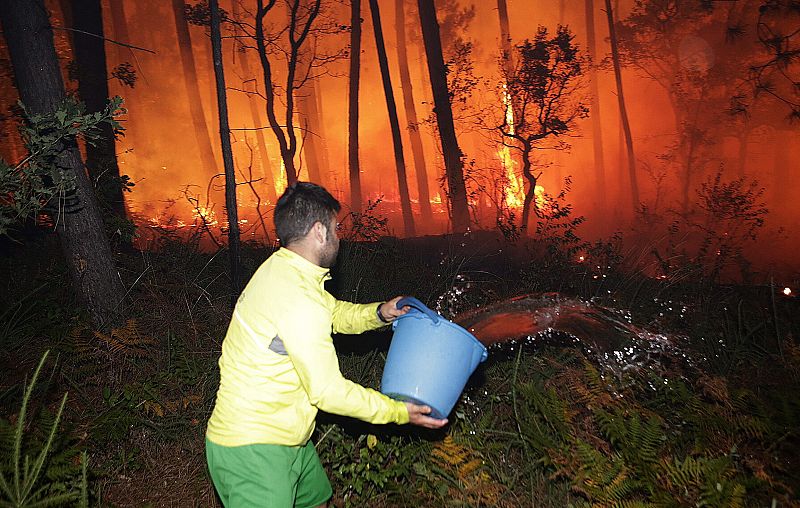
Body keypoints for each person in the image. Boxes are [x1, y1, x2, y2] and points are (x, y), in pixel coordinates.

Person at [205, 181, 447, 507]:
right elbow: (328, 392)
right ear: (320, 232)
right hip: (253, 447)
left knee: (318, 500)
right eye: (336, 228)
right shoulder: (296, 295)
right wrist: (398, 412)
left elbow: (333, 313)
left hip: (290, 437)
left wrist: (380, 312)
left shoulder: (287, 272)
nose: (339, 236)